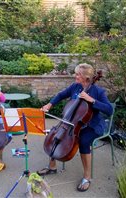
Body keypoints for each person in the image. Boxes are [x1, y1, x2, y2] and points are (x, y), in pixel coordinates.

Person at [37, 63, 113, 192]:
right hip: (71, 123)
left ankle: (87, 177)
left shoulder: (98, 91)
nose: (75, 76)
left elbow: (109, 110)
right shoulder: (75, 87)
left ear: (87, 77)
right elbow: (61, 95)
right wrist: (49, 105)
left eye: (78, 74)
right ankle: (52, 166)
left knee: (83, 141)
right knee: (55, 135)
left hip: (92, 124)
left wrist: (92, 100)